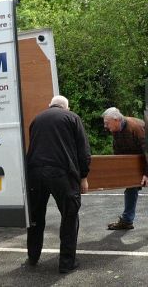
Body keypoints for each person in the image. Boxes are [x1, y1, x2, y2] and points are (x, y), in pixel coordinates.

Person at [26, 95, 91, 273]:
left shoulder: (36, 119)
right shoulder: (72, 118)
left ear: (50, 106)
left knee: (35, 216)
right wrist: (83, 176)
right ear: (66, 107)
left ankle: (33, 256)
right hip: (61, 173)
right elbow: (83, 150)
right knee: (70, 216)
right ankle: (66, 263)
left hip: (35, 172)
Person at [102, 107, 148, 230]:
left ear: (116, 119)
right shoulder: (116, 130)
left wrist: (146, 174)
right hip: (135, 161)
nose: (105, 125)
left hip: (145, 158)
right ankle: (127, 221)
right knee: (131, 189)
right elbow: (118, 152)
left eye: (107, 122)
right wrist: (120, 171)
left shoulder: (136, 127)